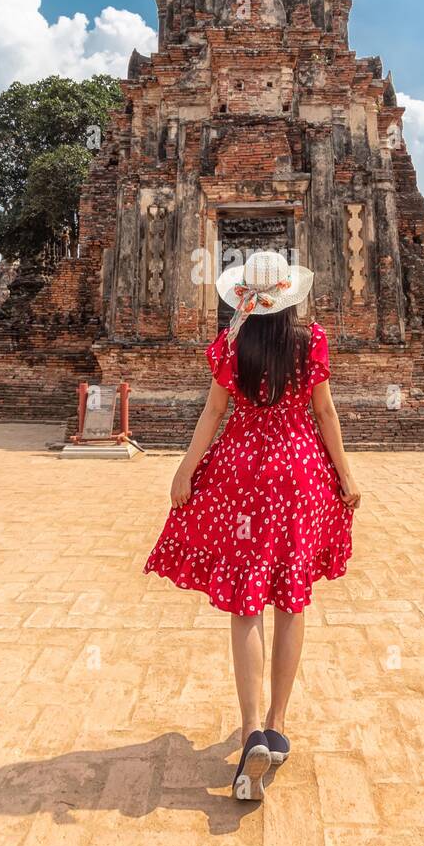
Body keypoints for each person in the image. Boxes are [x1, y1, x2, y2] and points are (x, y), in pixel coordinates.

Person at [143, 249, 361, 801]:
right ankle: (278, 723)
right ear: (290, 295)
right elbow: (326, 413)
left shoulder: (230, 346)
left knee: (246, 606)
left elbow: (213, 413)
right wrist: (347, 475)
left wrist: (184, 470)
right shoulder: (311, 341)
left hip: (242, 474)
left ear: (244, 296)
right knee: (291, 600)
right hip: (298, 472)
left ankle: (248, 734)